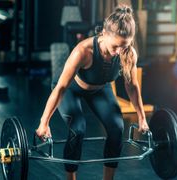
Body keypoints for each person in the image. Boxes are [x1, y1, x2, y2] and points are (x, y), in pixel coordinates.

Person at [36, 5, 149, 180]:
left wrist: (142, 118)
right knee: (78, 128)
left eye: (124, 46)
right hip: (71, 89)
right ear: (104, 33)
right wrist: (44, 122)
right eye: (116, 46)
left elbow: (132, 86)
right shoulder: (83, 51)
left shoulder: (128, 53)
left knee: (117, 127)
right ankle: (71, 176)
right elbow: (61, 88)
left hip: (100, 89)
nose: (119, 51)